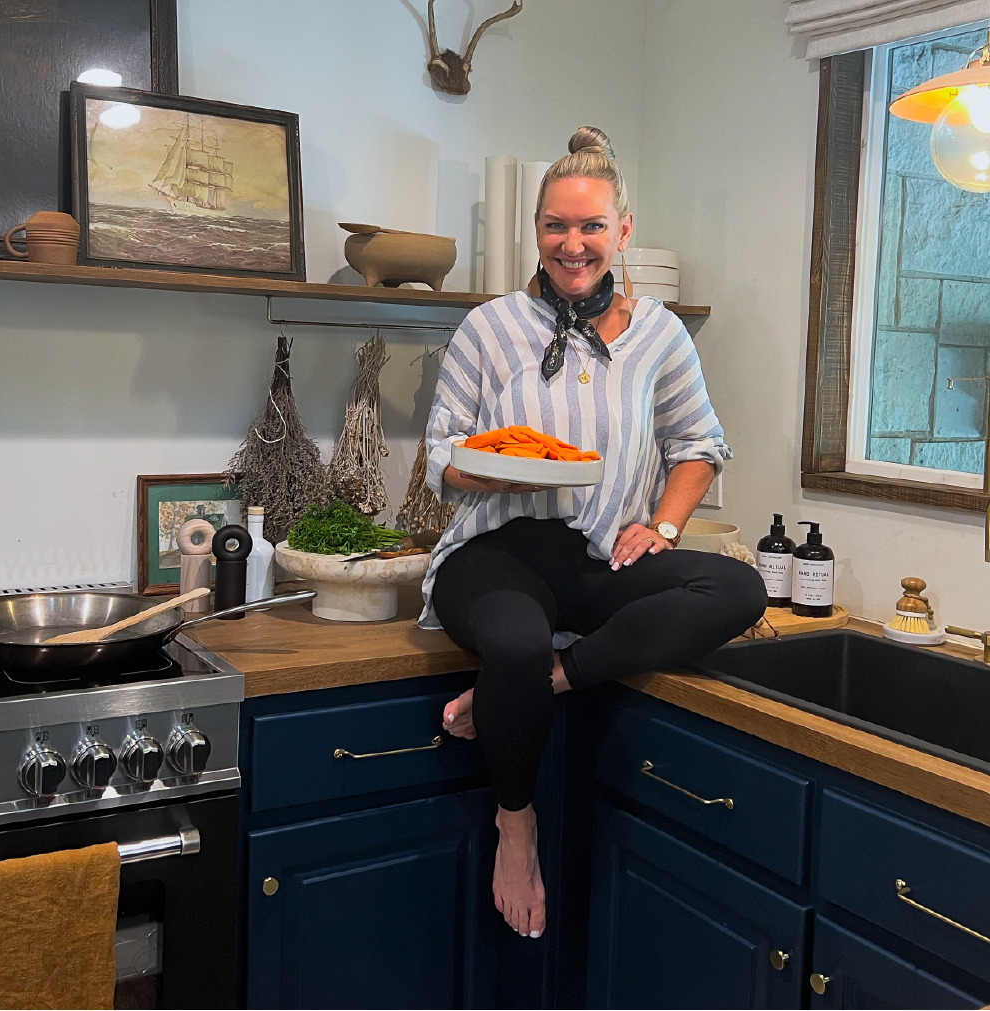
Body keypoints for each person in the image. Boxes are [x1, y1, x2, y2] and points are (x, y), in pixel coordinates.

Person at [418, 126, 766, 939]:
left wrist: (665, 523)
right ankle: (516, 822)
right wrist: (497, 467)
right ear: (535, 230)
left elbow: (700, 444)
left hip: (601, 554)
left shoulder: (660, 335)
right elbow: (440, 456)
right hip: (495, 551)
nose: (572, 245)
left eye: (590, 227)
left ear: (622, 230)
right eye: (555, 226)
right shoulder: (489, 327)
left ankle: (547, 683)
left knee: (737, 586)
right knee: (510, 639)